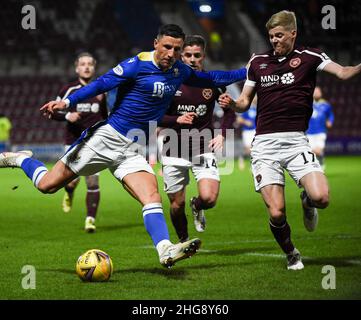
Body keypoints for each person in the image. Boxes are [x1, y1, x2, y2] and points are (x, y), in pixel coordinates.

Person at [0, 24, 246, 268]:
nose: (171, 54)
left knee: (151, 196)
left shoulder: (179, 70)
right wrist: (68, 101)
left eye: (177, 49)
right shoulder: (136, 64)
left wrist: (246, 71)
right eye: (167, 47)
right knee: (47, 186)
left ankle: (165, 250)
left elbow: (211, 78)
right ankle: (20, 158)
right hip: (106, 139)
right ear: (156, 44)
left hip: (133, 148)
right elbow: (101, 84)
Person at [219, 10, 361, 270]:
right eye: (271, 36)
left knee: (322, 198)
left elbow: (343, 72)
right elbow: (244, 103)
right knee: (276, 212)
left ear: (293, 34)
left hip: (297, 142)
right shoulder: (258, 63)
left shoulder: (310, 57)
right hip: (265, 146)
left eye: (280, 36)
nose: (274, 41)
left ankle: (307, 201)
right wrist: (231, 104)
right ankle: (291, 253)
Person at [158, 35, 240, 242]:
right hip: (172, 148)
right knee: (176, 205)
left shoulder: (212, 83)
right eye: (188, 55)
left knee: (209, 198)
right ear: (180, 56)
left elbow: (230, 110)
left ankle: (197, 205)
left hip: (203, 146)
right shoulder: (168, 82)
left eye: (197, 55)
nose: (192, 59)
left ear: (203, 56)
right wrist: (177, 119)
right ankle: (184, 241)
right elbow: (155, 116)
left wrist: (223, 134)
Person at [50, 52, 108, 232]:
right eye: (83, 64)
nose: (87, 67)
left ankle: (90, 219)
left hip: (94, 142)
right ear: (77, 68)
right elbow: (52, 111)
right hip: (73, 142)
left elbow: (105, 115)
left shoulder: (101, 90)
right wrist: (68, 115)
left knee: (92, 182)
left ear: (94, 66)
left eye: (90, 64)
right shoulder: (68, 91)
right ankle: (69, 192)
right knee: (71, 182)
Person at [306, 86, 334, 169]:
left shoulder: (326, 105)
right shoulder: (307, 103)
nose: (317, 93)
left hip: (321, 131)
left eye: (319, 91)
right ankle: (316, 165)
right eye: (315, 91)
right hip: (309, 132)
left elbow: (331, 115)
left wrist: (330, 121)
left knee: (318, 151)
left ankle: (320, 164)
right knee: (312, 151)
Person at [237, 96, 257, 170]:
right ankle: (241, 158)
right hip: (247, 131)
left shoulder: (257, 108)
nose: (256, 99)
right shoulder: (246, 109)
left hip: (254, 131)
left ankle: (252, 165)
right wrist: (246, 122)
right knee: (248, 150)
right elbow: (239, 119)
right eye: (254, 97)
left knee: (254, 149)